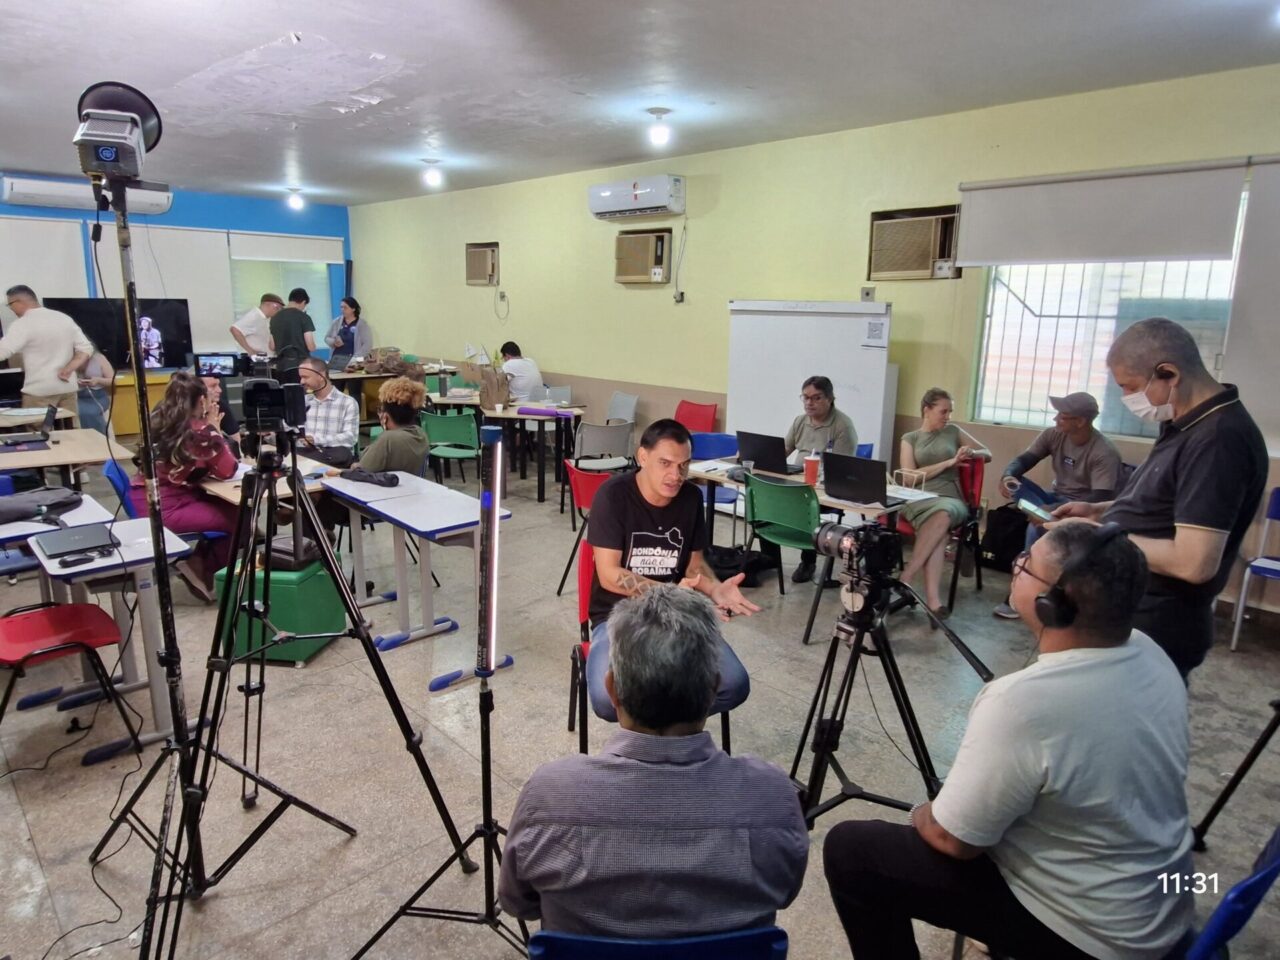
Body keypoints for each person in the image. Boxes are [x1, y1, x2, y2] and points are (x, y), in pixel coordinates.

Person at [824, 523, 1195, 960]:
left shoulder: (1023, 702)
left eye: (1026, 564)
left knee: (852, 851)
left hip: (1090, 935)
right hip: (1162, 905)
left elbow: (953, 841)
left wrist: (924, 813)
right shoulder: (1150, 652)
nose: (1017, 565)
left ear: (1053, 604)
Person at [499, 585, 809, 937]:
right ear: (714, 690)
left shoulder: (549, 795)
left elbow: (518, 903)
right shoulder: (772, 795)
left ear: (612, 690)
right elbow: (785, 891)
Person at [1052, 316, 1267, 678]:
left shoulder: (1219, 439)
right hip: (1128, 607)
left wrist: (1098, 536)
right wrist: (1100, 511)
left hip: (1159, 621)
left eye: (1131, 387)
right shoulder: (1184, 422)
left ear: (1169, 373)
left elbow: (1194, 562)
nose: (1128, 400)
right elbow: (1164, 501)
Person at [585, 419, 759, 724]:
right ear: (643, 457)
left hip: (677, 615)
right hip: (619, 616)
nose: (675, 475)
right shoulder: (613, 495)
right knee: (605, 700)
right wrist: (668, 592)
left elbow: (695, 565)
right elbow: (610, 575)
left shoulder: (690, 498)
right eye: (665, 463)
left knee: (734, 685)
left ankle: (663, 736)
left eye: (683, 465)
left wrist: (715, 588)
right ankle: (662, 736)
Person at [993, 391, 1121, 619]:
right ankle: (1041, 518)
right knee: (1016, 485)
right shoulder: (1053, 434)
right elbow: (1024, 460)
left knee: (1035, 528)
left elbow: (1100, 499)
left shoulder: (1104, 452)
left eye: (1062, 416)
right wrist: (1008, 475)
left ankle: (1020, 595)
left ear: (1080, 421)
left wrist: (1052, 512)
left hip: (1081, 508)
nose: (1055, 419)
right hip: (1053, 497)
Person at [129, 373, 239, 600]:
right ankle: (205, 570)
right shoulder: (200, 431)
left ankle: (198, 562)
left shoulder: (158, 418)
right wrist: (215, 430)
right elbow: (228, 470)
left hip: (146, 497)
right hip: (166, 508)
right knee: (240, 518)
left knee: (229, 506)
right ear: (202, 400)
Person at [898, 388, 990, 619]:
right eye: (943, 411)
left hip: (950, 498)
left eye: (950, 412)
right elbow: (909, 477)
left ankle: (907, 575)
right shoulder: (910, 438)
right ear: (926, 410)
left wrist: (971, 451)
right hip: (918, 497)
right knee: (940, 532)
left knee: (943, 514)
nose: (948, 416)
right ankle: (933, 602)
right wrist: (949, 462)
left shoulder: (953, 431)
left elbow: (987, 453)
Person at [784, 375, 858, 583]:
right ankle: (768, 557)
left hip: (825, 488)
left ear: (830, 399)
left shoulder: (842, 426)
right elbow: (784, 450)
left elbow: (842, 468)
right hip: (798, 483)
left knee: (806, 504)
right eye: (805, 397)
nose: (809, 403)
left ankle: (808, 561)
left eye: (816, 398)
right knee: (764, 495)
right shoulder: (800, 421)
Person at [0, 284, 94, 422]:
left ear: (18, 302)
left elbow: (3, 351)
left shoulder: (23, 323)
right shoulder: (64, 318)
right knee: (71, 430)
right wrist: (69, 368)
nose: (11, 309)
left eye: (10, 305)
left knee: (37, 431)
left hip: (40, 391)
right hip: (67, 388)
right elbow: (86, 348)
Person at [356, 376, 429, 474]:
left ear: (386, 416)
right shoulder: (420, 433)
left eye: (380, 409)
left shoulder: (388, 439)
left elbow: (361, 471)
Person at [297, 356, 359, 466]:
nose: (302, 381)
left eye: (305, 377)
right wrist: (272, 433)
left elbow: (350, 438)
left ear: (321, 376)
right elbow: (290, 430)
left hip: (333, 453)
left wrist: (316, 440)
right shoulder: (303, 401)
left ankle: (309, 463)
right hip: (306, 451)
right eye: (301, 377)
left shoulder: (347, 403)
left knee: (342, 454)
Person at [268, 287, 317, 383]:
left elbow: (272, 346)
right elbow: (310, 346)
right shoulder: (304, 317)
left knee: (284, 391)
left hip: (281, 366)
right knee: (298, 391)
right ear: (303, 302)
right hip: (300, 366)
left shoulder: (274, 318)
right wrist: (314, 347)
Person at [77, 349, 115, 435]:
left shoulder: (99, 358)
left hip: (98, 396)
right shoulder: (67, 359)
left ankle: (99, 438)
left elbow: (112, 380)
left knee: (88, 413)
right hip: (76, 397)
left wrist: (98, 380)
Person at [200, 374, 241, 454]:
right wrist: (214, 429)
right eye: (213, 386)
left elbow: (237, 447)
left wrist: (217, 430)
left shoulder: (220, 406)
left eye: (218, 385)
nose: (220, 390)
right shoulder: (184, 415)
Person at [323, 296, 372, 361]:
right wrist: (334, 342)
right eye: (341, 307)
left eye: (345, 307)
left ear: (353, 309)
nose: (342, 309)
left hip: (353, 361)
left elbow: (367, 345)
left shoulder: (362, 325)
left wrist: (355, 358)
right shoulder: (336, 322)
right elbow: (326, 338)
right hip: (336, 360)